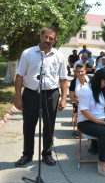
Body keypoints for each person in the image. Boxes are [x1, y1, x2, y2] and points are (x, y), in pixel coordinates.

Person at [14, 26, 67, 167]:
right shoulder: (28, 53)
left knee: (49, 127)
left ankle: (47, 154)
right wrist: (17, 98)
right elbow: (19, 76)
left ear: (55, 41)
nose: (48, 40)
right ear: (40, 36)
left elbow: (63, 79)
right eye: (46, 37)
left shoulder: (59, 56)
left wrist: (63, 99)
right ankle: (27, 155)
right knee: (29, 126)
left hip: (51, 94)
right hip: (31, 93)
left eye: (51, 38)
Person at [77, 68, 105, 178]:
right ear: (98, 79)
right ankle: (102, 162)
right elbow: (84, 110)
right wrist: (98, 121)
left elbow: (101, 108)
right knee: (104, 132)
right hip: (86, 121)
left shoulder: (102, 89)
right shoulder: (86, 89)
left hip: (101, 118)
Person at [69, 64, 90, 138]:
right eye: (78, 71)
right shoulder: (73, 82)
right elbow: (72, 97)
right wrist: (81, 101)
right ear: (76, 72)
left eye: (82, 71)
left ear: (85, 71)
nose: (80, 73)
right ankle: (78, 130)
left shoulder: (90, 81)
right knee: (79, 109)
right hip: (77, 101)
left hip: (89, 101)